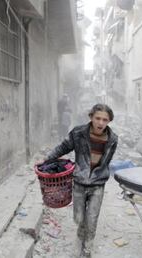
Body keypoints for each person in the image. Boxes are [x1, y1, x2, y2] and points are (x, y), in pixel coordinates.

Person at [46, 103, 118, 258]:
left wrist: (101, 174)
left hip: (98, 184)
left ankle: (87, 248)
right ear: (91, 117)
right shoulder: (78, 133)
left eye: (105, 119)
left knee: (92, 219)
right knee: (79, 218)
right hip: (79, 182)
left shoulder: (113, 139)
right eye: (97, 118)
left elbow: (106, 161)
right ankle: (80, 237)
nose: (100, 123)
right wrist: (47, 159)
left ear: (109, 121)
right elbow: (63, 147)